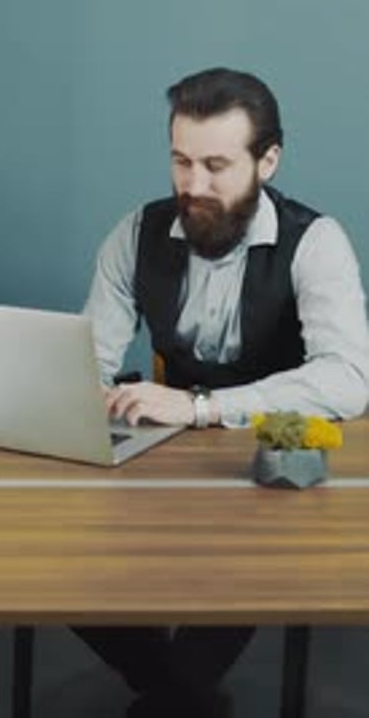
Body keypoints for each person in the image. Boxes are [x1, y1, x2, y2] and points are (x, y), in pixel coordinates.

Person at [74, 67, 369, 717]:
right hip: (163, 460)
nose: (193, 186)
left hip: (275, 462)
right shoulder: (135, 234)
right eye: (180, 161)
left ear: (268, 159)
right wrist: (85, 394)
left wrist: (203, 407)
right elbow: (89, 359)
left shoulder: (315, 242)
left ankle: (171, 694)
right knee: (57, 557)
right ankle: (178, 692)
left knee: (254, 557)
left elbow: (349, 378)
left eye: (215, 164)